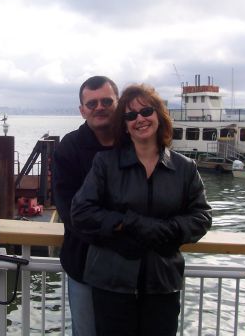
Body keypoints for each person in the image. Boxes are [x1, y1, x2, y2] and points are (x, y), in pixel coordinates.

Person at [71, 83, 212, 336]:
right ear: (124, 125)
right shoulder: (105, 163)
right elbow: (81, 211)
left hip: (162, 283)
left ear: (159, 114)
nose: (140, 119)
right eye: (130, 115)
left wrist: (168, 229)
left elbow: (201, 217)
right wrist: (128, 223)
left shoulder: (184, 168)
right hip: (111, 282)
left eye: (146, 111)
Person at [53, 75, 119, 335]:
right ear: (82, 111)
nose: (99, 107)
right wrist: (121, 228)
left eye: (106, 101)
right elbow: (69, 211)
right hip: (84, 262)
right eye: (92, 104)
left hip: (131, 265)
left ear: (118, 103)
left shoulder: (135, 143)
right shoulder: (69, 148)